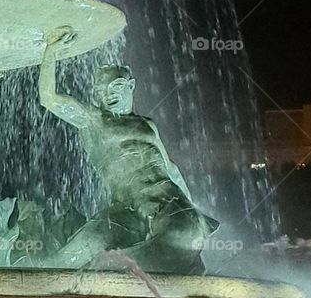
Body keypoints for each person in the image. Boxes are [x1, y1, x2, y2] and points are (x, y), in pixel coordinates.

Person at [37, 27, 216, 272]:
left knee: (177, 240)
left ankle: (112, 271)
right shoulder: (93, 120)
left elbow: (171, 169)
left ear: (131, 85)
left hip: (171, 204)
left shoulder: (148, 125)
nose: (108, 94)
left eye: (116, 86)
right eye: (101, 90)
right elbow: (49, 98)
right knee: (69, 257)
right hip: (125, 213)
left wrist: (193, 211)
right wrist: (51, 51)